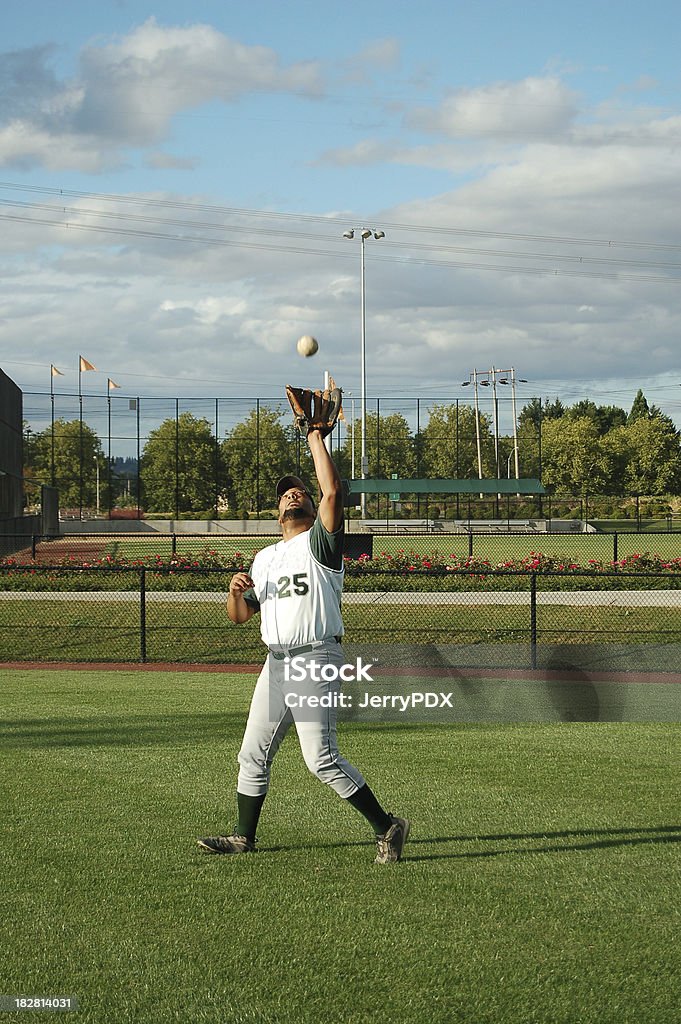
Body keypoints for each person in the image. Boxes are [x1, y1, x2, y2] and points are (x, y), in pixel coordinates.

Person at [198, 427, 409, 864]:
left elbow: (332, 491)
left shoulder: (321, 544)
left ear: (313, 508)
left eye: (299, 492)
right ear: (276, 511)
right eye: (285, 494)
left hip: (315, 656)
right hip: (276, 663)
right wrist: (234, 593)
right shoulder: (264, 558)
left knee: (320, 758)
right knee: (252, 752)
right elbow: (240, 617)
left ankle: (386, 825)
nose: (292, 494)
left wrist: (315, 436)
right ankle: (243, 836)